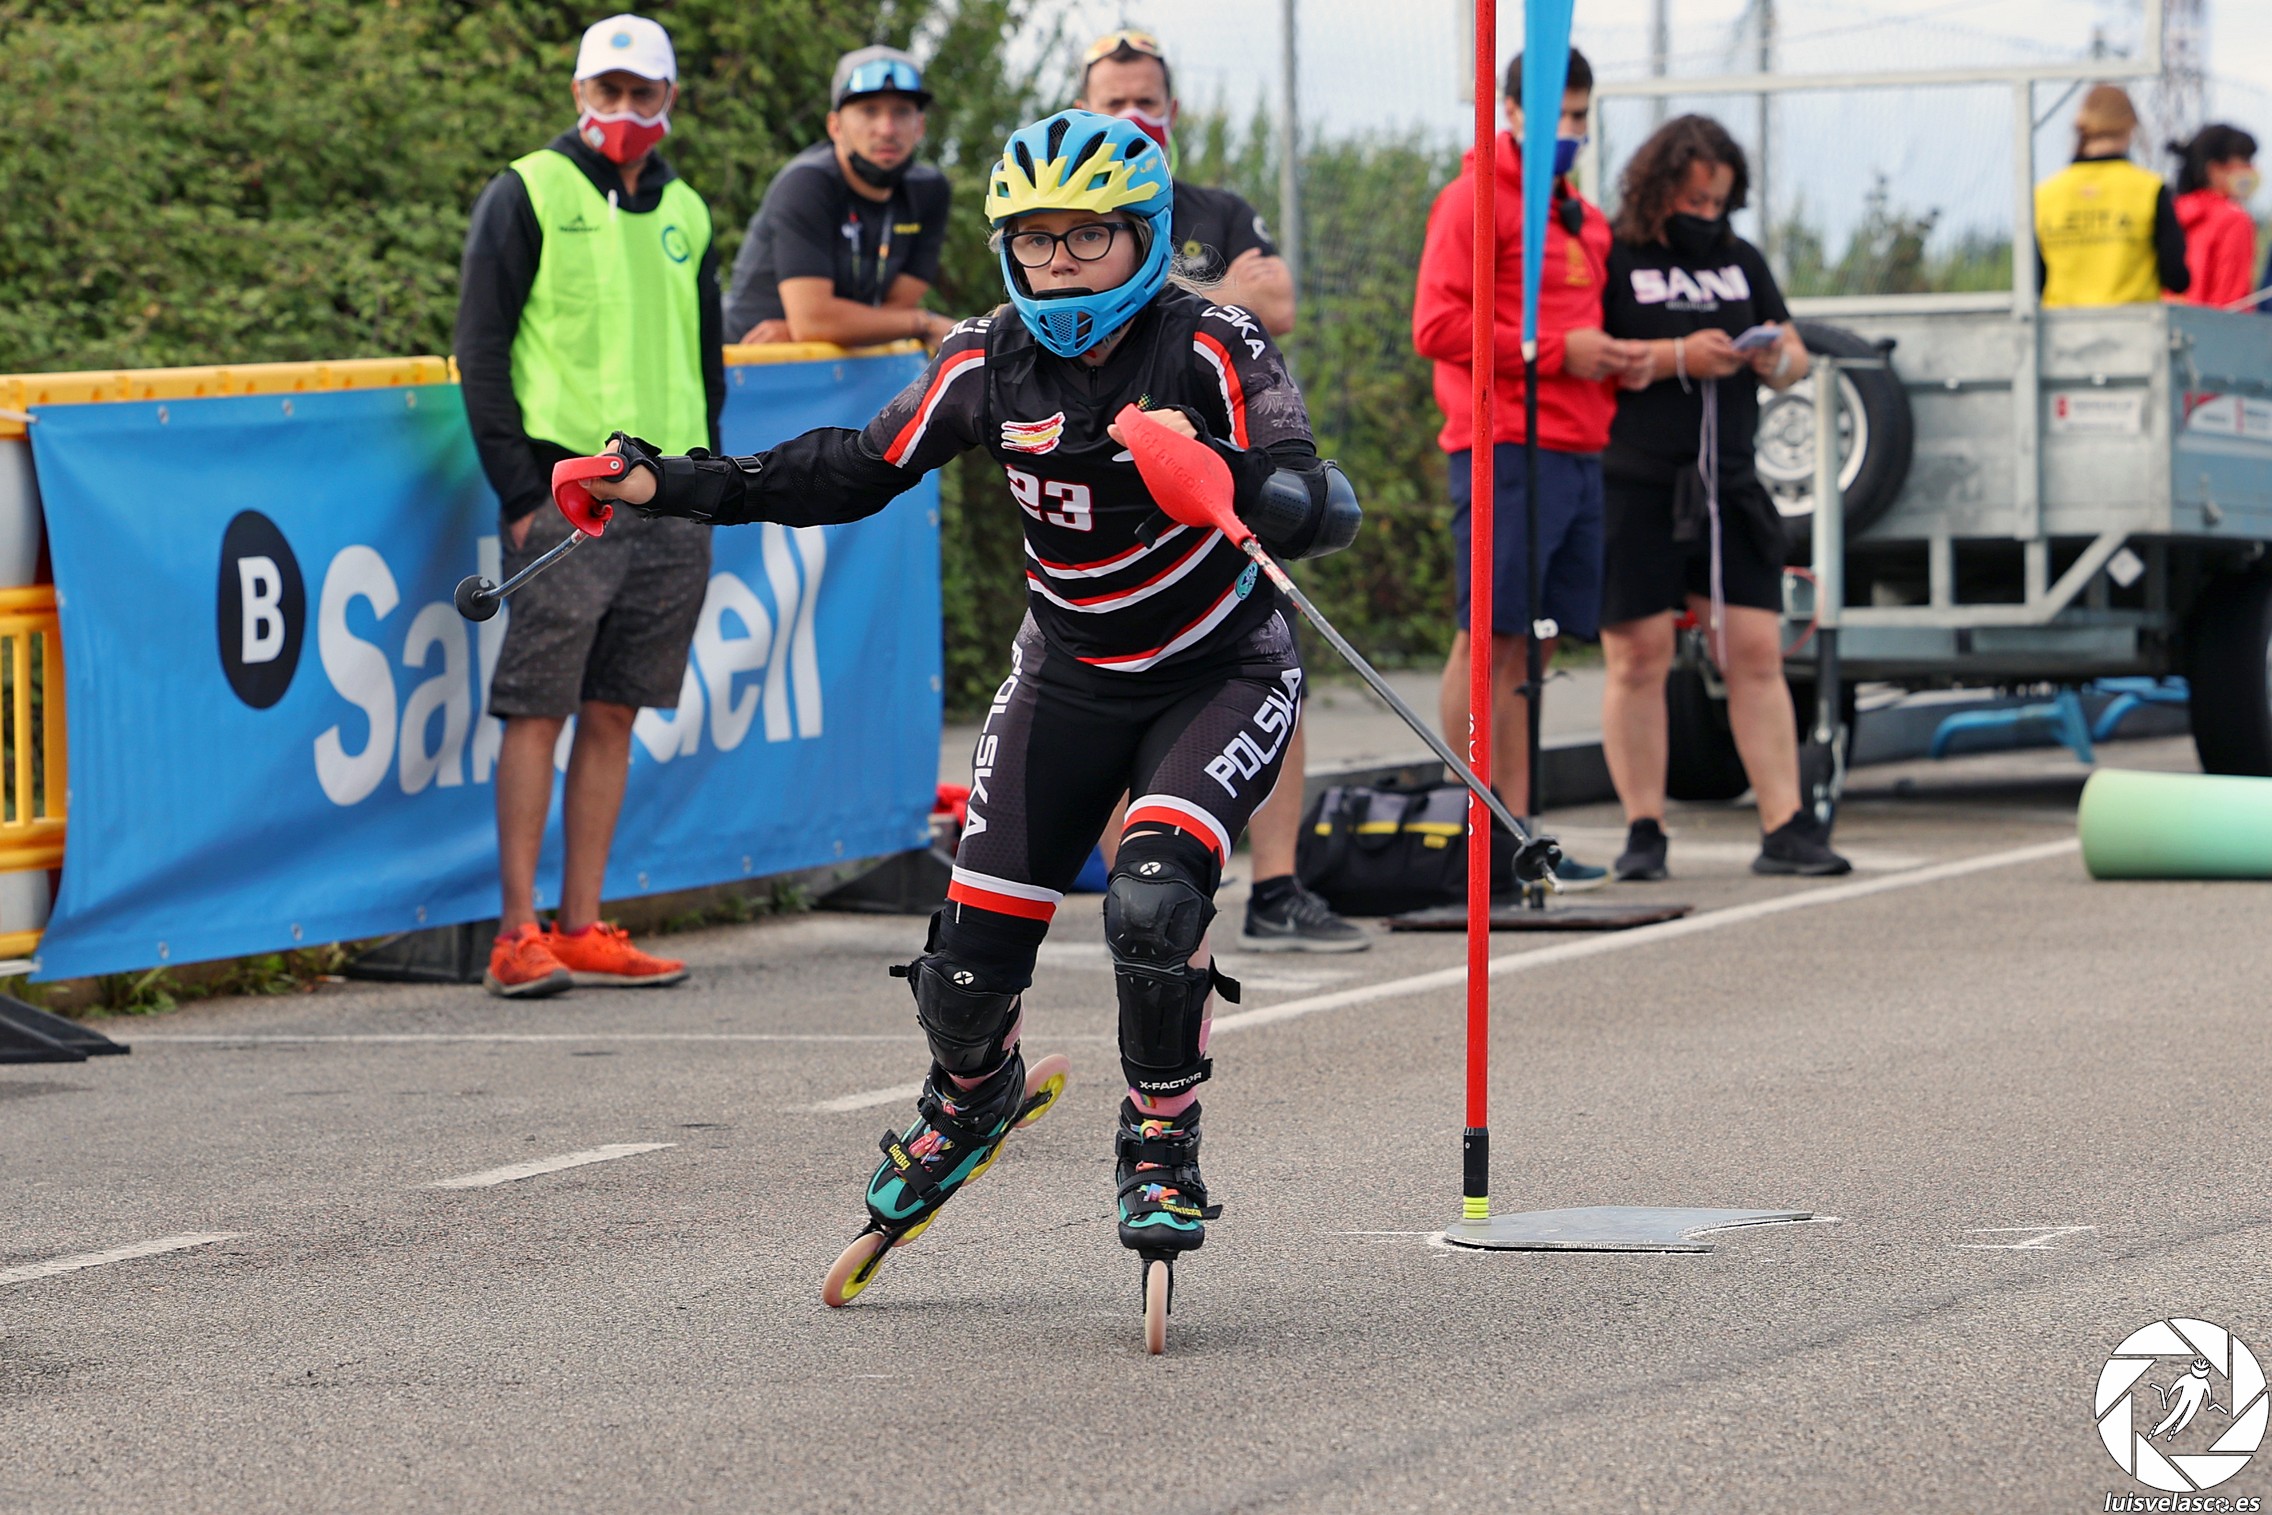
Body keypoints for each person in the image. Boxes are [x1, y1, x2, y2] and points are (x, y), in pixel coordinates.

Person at [578, 111, 1360, 1298]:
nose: (1059, 265)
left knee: (1153, 900)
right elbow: (852, 468)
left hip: (1220, 668)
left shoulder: (1210, 342)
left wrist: (1227, 475)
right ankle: (971, 1098)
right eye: (1034, 239)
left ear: (1143, 237)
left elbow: (1321, 503)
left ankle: (1160, 1143)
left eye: (1086, 237)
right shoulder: (987, 357)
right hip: (1067, 676)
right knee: (963, 967)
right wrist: (668, 481)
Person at [1074, 28, 1360, 948]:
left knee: (1274, 666)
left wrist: (1184, 296)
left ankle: (1277, 887)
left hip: (1231, 481)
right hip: (1115, 489)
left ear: (1173, 109)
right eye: (1114, 102)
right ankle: (1136, 903)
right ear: (1083, 109)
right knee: (1107, 681)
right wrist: (1215, 290)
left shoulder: (1218, 207)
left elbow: (1275, 306)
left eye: (1147, 101)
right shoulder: (1067, 218)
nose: (1134, 116)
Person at [455, 13, 719, 996]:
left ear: (668, 99)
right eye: (607, 90)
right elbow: (480, 348)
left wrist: (708, 480)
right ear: (578, 93)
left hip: (672, 495)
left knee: (615, 710)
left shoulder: (688, 208)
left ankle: (580, 924)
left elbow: (705, 362)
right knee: (538, 708)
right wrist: (522, 491)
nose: (623, 108)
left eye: (641, 92)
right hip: (566, 493)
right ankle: (515, 934)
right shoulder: (527, 189)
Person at [1412, 47, 1642, 889]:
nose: (1572, 130)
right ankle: (1481, 828)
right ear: (1511, 111)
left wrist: (1617, 359)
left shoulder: (1582, 215)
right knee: (1489, 637)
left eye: (1582, 116)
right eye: (1559, 115)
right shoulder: (1472, 200)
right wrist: (1549, 351)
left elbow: (1582, 327)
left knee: (1534, 644)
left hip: (1578, 447)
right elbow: (1436, 327)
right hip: (1504, 442)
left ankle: (1521, 831)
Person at [1596, 114, 1847, 879]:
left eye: (1718, 203)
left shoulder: (1741, 260)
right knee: (1639, 655)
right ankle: (1644, 828)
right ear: (1658, 189)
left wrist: (1776, 361)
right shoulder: (1616, 255)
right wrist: (1677, 355)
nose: (1706, 215)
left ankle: (1785, 823)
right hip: (1636, 479)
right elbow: (1590, 354)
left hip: (1729, 482)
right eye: (1693, 201)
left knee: (1755, 650)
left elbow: (1794, 352)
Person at [720, 46, 956, 347]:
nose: (886, 129)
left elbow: (896, 308)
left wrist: (823, 328)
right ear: (835, 127)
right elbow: (814, 323)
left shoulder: (930, 191)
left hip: (841, 360)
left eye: (901, 111)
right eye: (869, 111)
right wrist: (924, 322)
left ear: (919, 126)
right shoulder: (807, 184)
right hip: (748, 357)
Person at [2035, 84, 2189, 307]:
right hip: (2134, 322)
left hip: (2062, 324)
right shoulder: (2149, 188)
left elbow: (2034, 281)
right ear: (2131, 127)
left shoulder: (2045, 194)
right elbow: (2176, 278)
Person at [2167, 124, 2259, 309]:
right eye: (2245, 161)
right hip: (2210, 325)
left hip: (2165, 321)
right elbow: (2233, 302)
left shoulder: (2171, 212)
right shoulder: (2234, 220)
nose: (2252, 169)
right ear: (2215, 169)